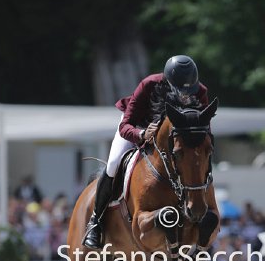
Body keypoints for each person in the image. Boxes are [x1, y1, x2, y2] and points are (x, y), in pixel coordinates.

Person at [83, 54, 209, 249]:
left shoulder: (200, 91)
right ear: (168, 81)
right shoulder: (149, 85)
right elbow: (125, 125)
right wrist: (141, 134)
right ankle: (96, 222)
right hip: (138, 128)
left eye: (189, 91)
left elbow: (203, 128)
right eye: (181, 91)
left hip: (174, 142)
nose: (186, 96)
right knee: (114, 164)